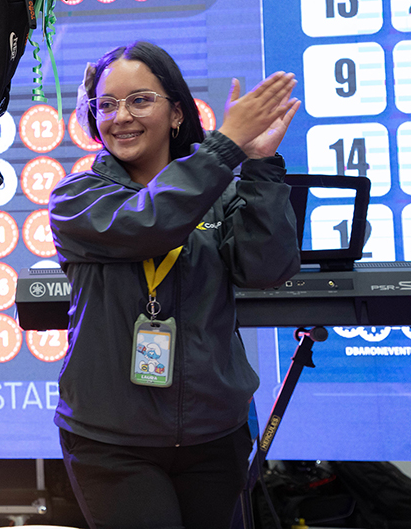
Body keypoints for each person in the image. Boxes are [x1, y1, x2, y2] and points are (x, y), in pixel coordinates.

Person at [46, 41, 302, 529]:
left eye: (140, 100)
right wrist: (225, 148)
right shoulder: (76, 197)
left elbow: (266, 269)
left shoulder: (220, 191)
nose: (121, 116)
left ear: (177, 113)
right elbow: (151, 224)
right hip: (113, 441)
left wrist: (259, 165)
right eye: (106, 104)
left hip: (215, 433)